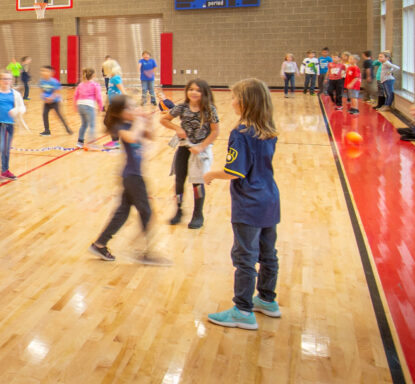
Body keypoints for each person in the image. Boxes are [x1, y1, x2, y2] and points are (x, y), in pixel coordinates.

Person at [204, 78, 282, 330]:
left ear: (246, 102)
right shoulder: (269, 130)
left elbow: (235, 171)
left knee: (245, 256)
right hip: (270, 198)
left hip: (249, 203)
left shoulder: (241, 133)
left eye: (236, 97)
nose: (233, 101)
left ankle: (243, 309)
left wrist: (211, 175)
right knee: (268, 253)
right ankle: (268, 300)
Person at [89, 97, 163, 263]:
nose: (134, 110)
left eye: (134, 107)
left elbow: (151, 136)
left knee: (122, 213)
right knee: (146, 212)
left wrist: (148, 122)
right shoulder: (121, 127)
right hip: (132, 177)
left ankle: (99, 244)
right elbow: (131, 138)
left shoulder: (131, 125)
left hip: (133, 175)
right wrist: (138, 121)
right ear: (120, 113)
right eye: (130, 108)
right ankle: (146, 252)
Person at [159, 78, 220, 228]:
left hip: (200, 149)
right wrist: (177, 129)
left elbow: (215, 131)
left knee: (197, 182)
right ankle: (178, 211)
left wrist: (201, 147)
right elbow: (164, 120)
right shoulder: (182, 107)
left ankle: (198, 214)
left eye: (198, 90)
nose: (194, 92)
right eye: (191, 89)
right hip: (184, 147)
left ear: (204, 93)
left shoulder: (209, 109)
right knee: (179, 180)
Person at [0, 71, 23, 180]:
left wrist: (16, 110)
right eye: (4, 79)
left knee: (4, 148)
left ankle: (3, 170)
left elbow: (22, 107)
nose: (6, 81)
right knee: (0, 147)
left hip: (8, 124)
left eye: (8, 79)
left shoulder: (15, 94)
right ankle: (0, 170)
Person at [38, 65, 73, 136]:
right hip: (46, 102)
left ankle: (67, 129)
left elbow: (56, 92)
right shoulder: (41, 81)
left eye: (45, 71)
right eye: (42, 71)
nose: (43, 72)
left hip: (55, 102)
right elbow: (42, 91)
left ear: (51, 73)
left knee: (59, 116)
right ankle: (47, 131)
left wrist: (51, 98)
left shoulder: (54, 82)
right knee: (44, 115)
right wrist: (44, 98)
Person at [74, 68, 103, 148]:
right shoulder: (95, 85)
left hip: (80, 105)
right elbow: (99, 97)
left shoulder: (80, 84)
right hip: (89, 105)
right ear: (93, 75)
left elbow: (75, 96)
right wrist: (100, 107)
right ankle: (91, 144)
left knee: (84, 124)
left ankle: (80, 142)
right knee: (92, 125)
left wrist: (75, 106)